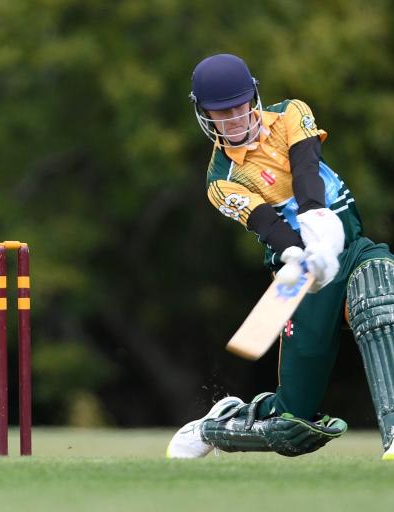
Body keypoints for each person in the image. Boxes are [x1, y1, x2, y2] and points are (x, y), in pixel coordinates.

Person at [167, 54, 394, 460]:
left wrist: (318, 220)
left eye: (241, 106)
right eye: (223, 114)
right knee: (292, 426)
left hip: (351, 245)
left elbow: (306, 167)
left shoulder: (291, 112)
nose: (236, 119)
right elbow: (266, 224)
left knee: (380, 297)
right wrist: (300, 252)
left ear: (254, 95)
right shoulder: (220, 180)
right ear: (205, 115)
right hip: (299, 273)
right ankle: (221, 424)